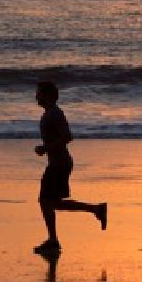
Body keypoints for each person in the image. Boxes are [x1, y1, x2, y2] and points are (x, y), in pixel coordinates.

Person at [33, 80, 106, 255]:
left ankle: (53, 240)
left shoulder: (55, 114)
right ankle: (96, 209)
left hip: (60, 164)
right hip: (57, 163)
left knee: (46, 201)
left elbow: (67, 136)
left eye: (40, 93)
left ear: (49, 95)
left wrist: (45, 148)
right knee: (53, 203)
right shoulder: (49, 113)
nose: (36, 96)